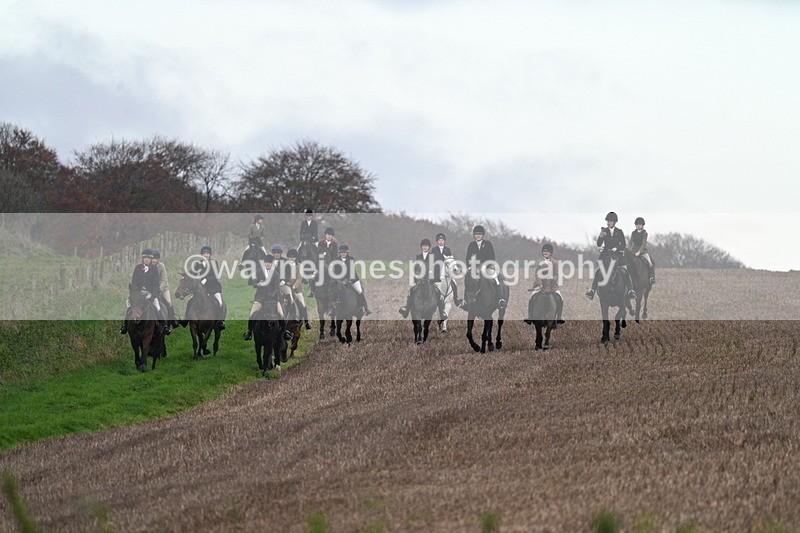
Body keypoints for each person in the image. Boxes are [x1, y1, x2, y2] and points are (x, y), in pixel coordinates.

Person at [585, 212, 636, 300]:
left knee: (625, 271)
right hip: (606, 255)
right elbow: (598, 244)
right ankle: (592, 290)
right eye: (608, 221)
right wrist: (601, 236)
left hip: (617, 255)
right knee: (599, 271)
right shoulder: (604, 231)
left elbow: (623, 244)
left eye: (610, 221)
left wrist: (616, 248)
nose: (608, 222)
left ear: (614, 222)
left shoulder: (619, 232)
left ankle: (630, 290)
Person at [242, 254, 292, 341]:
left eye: (270, 263)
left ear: (272, 264)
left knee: (281, 313)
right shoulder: (258, 271)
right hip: (260, 297)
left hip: (273, 298)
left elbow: (276, 287)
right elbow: (253, 282)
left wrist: (272, 294)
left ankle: (284, 332)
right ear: (264, 263)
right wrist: (257, 284)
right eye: (266, 262)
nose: (268, 264)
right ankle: (249, 332)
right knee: (252, 313)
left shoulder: (276, 274)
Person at [120, 249, 168, 334]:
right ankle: (125, 326)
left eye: (148, 258)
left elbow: (156, 284)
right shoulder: (138, 268)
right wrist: (135, 293)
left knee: (158, 307)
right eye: (145, 258)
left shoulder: (154, 269)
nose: (146, 259)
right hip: (139, 294)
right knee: (130, 308)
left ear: (151, 259)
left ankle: (164, 326)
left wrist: (153, 295)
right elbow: (134, 282)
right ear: (143, 259)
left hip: (150, 294)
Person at [398, 238, 447, 319]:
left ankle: (442, 313)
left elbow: (436, 268)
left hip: (430, 281)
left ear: (429, 247)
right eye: (423, 246)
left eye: (426, 246)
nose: (425, 247)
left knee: (439, 294)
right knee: (411, 291)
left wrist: (433, 278)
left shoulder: (433, 256)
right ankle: (406, 309)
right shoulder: (418, 256)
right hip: (420, 281)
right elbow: (416, 269)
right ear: (421, 247)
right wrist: (416, 279)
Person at [464, 225, 506, 310]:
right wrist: (469, 267)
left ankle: (501, 299)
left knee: (495, 278)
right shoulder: (471, 245)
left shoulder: (488, 244)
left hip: (487, 267)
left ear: (483, 235)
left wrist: (485, 266)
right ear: (474, 235)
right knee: (468, 279)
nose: (478, 235)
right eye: (476, 234)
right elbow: (468, 257)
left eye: (479, 234)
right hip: (475, 268)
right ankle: (465, 301)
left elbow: (492, 257)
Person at [526, 243, 566, 325]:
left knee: (560, 298)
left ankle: (559, 317)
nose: (545, 253)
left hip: (552, 286)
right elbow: (537, 274)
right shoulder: (539, 262)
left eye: (547, 252)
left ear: (551, 253)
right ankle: (530, 316)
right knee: (532, 297)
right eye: (544, 251)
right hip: (540, 285)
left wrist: (551, 280)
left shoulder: (555, 262)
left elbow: (556, 274)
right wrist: (540, 284)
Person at [190, 245, 226, 330]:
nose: (206, 255)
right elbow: (193, 274)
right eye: (204, 253)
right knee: (190, 300)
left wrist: (206, 279)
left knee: (220, 302)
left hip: (214, 287)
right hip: (201, 288)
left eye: (207, 253)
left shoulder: (214, 263)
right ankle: (186, 319)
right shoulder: (198, 264)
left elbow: (216, 275)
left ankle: (220, 321)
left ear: (210, 255)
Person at [330, 244, 372, 315]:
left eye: (344, 252)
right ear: (339, 253)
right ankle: (333, 309)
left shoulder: (351, 259)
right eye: (342, 252)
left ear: (347, 253)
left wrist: (348, 280)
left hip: (352, 279)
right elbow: (337, 272)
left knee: (359, 291)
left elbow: (351, 271)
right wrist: (340, 280)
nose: (343, 253)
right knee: (334, 291)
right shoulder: (336, 260)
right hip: (341, 280)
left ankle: (365, 307)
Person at [432, 232, 463, 308]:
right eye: (439, 240)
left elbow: (450, 260)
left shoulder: (447, 249)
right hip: (437, 272)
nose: (441, 242)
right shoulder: (434, 250)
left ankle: (456, 299)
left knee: (454, 283)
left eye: (442, 240)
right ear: (437, 241)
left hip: (446, 272)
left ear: (444, 241)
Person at [151, 249, 179, 330]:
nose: (153, 260)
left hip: (163, 288)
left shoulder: (161, 266)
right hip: (152, 290)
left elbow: (164, 280)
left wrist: (159, 290)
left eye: (155, 259)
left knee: (169, 303)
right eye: (152, 259)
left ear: (158, 259)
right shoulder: (148, 266)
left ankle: (173, 321)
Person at [286, 248, 312, 329]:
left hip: (296, 289)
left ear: (296, 258)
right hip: (286, 287)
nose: (291, 258)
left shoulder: (300, 266)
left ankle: (306, 322)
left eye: (293, 257)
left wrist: (294, 286)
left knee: (302, 303)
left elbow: (299, 278)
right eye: (290, 257)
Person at [630, 217, 656, 284]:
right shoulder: (633, 233)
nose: (638, 226)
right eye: (637, 224)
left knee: (650, 263)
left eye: (639, 224)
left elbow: (643, 243)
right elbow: (631, 242)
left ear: (642, 225)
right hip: (634, 251)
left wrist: (639, 252)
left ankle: (651, 278)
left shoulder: (645, 233)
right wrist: (630, 251)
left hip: (643, 251)